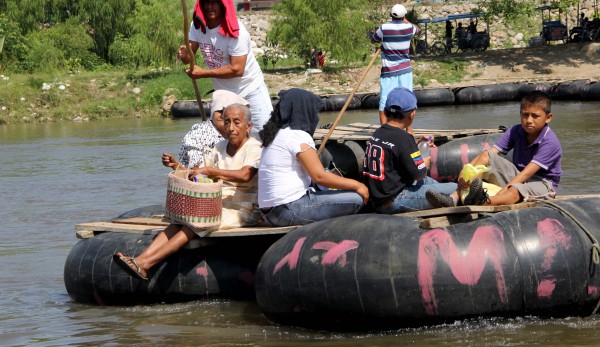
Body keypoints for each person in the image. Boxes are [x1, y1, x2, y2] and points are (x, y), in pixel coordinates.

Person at [113, 103, 262, 280]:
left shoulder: (254, 148)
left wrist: (211, 172)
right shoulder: (220, 147)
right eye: (227, 122)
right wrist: (177, 166)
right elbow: (198, 174)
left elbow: (245, 175)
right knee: (179, 221)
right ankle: (139, 260)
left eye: (237, 122)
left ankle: (146, 265)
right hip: (217, 205)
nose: (231, 128)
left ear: (249, 126)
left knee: (195, 222)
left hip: (243, 210)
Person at [426, 91, 562, 208]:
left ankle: (484, 201)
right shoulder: (516, 130)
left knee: (515, 189)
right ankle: (454, 198)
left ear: (548, 118)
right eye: (525, 115)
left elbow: (526, 175)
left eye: (535, 116)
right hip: (518, 174)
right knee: (486, 156)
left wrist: (500, 194)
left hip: (542, 183)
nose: (529, 120)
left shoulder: (550, 142)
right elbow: (489, 153)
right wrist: (465, 172)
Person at [257, 88, 368, 226]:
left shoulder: (274, 135)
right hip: (289, 210)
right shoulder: (296, 135)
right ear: (305, 111)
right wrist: (357, 185)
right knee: (356, 198)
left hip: (269, 212)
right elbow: (319, 176)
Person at [177, 0, 273, 137]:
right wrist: (184, 55)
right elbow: (189, 57)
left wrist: (203, 73)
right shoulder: (197, 25)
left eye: (214, 2)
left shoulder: (236, 31)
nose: (209, 6)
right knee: (223, 138)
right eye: (206, 2)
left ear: (223, 4)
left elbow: (237, 69)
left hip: (250, 90)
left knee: (266, 135)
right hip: (224, 94)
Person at [363, 87, 457, 213]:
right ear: (412, 114)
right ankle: (452, 199)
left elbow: (398, 151)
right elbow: (419, 174)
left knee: (431, 182)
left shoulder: (378, 133)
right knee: (457, 187)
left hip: (379, 197)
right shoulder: (404, 138)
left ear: (385, 111)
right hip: (394, 200)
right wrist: (424, 163)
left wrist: (418, 143)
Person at [161, 90, 248, 171]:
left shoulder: (241, 135)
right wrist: (176, 165)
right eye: (220, 111)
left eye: (226, 113)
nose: (223, 116)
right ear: (213, 112)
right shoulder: (200, 131)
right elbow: (196, 169)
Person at [370, 3, 420, 125]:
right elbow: (418, 30)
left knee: (384, 100)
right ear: (404, 17)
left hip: (389, 71)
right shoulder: (409, 28)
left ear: (390, 15)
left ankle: (383, 127)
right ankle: (409, 129)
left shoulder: (384, 28)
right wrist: (406, 20)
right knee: (408, 99)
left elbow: (373, 39)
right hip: (405, 70)